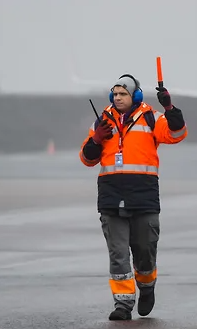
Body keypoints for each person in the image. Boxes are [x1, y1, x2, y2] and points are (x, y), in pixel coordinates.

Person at [79, 74, 188, 320]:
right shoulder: (102, 121)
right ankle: (123, 304)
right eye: (115, 94)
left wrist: (169, 107)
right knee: (118, 254)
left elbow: (177, 134)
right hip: (111, 196)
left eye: (123, 94)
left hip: (143, 196)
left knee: (145, 251)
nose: (117, 98)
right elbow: (87, 159)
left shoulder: (152, 118)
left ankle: (147, 287)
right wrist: (96, 140)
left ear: (135, 96)